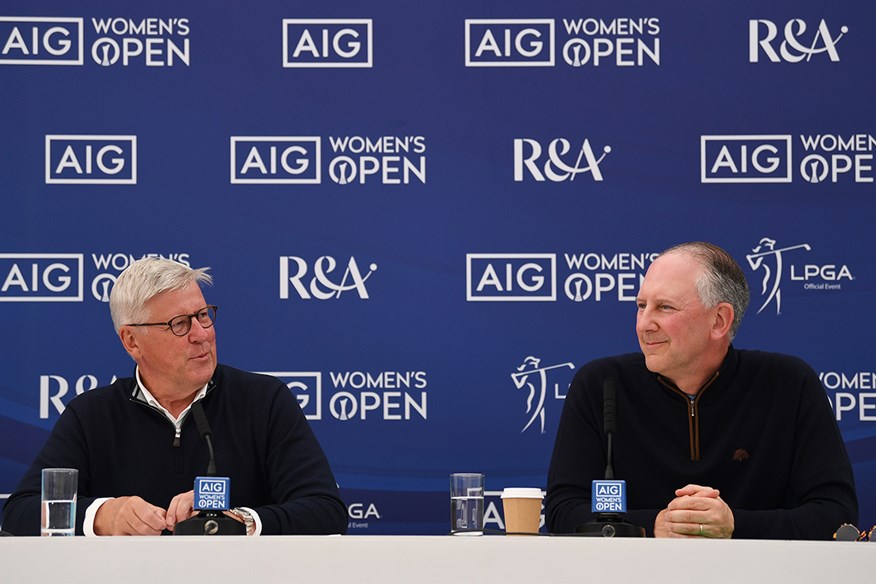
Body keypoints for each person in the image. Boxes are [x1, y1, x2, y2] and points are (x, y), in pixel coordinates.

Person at [2, 258, 347, 536]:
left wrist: (238, 521)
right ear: (131, 342)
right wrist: (104, 515)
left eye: (202, 315)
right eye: (179, 324)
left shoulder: (264, 401)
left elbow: (326, 510)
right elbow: (22, 511)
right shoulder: (92, 414)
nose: (201, 335)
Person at [545, 242, 857, 539]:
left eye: (665, 307)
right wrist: (656, 525)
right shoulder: (601, 385)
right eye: (641, 306)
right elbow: (563, 512)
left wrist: (734, 524)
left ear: (719, 320)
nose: (644, 324)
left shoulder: (789, 384)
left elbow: (836, 515)